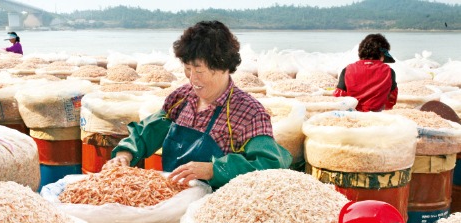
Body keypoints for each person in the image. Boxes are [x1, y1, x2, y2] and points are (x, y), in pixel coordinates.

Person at [103, 20, 292, 189]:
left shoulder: (249, 113)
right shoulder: (181, 98)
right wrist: (125, 154)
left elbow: (270, 164)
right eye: (187, 69)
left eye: (199, 71)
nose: (192, 79)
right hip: (173, 197)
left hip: (216, 206)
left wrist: (214, 170)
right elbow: (147, 133)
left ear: (223, 67)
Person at [334, 33, 398, 112]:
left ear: (361, 52)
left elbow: (339, 96)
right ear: (382, 55)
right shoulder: (389, 72)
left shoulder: (347, 70)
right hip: (377, 115)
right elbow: (392, 98)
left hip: (353, 114)